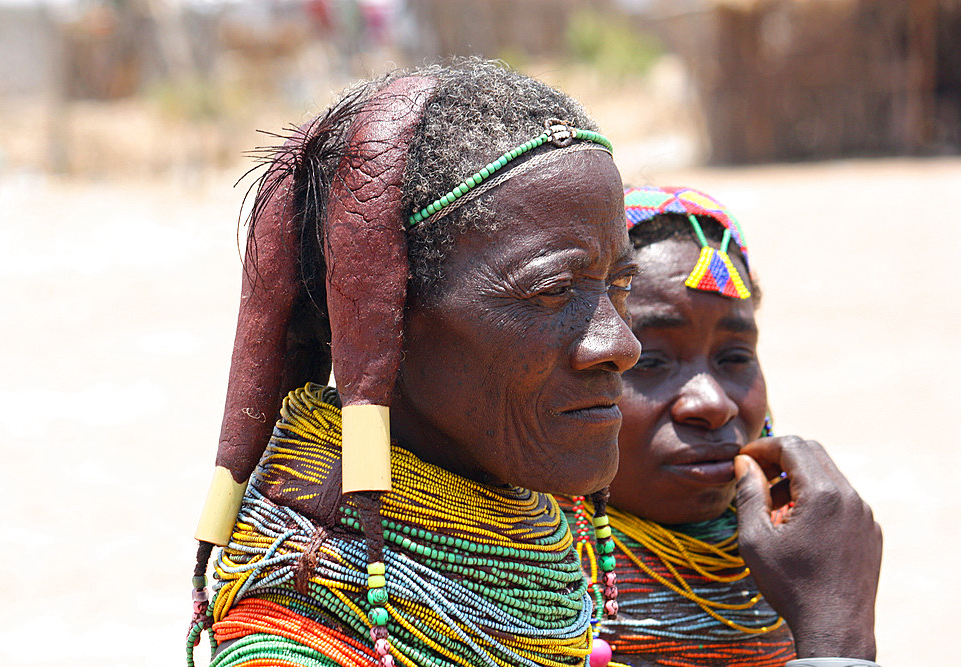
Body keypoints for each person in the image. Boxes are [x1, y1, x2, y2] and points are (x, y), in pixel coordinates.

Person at [185, 59, 881, 667]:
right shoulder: (302, 641)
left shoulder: (547, 558)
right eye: (552, 291)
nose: (620, 342)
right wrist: (837, 644)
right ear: (385, 324)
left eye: (618, 286)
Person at [565, 186, 882, 667]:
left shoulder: (805, 557)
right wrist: (837, 643)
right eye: (649, 360)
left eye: (734, 357)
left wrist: (828, 608)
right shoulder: (525, 580)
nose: (713, 404)